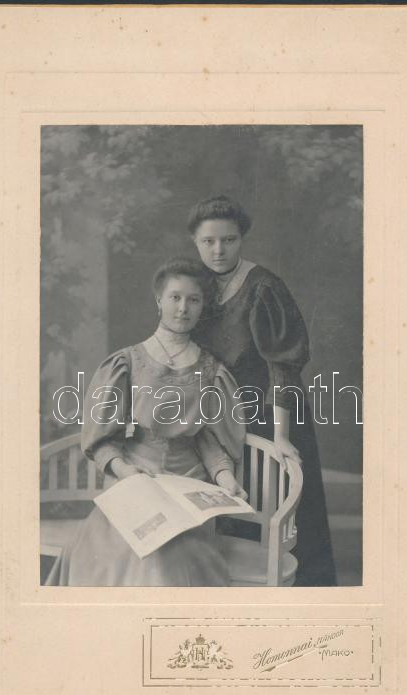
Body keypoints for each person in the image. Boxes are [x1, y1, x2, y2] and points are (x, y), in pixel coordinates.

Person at [48, 257, 246, 587]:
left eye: (193, 300)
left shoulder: (211, 370)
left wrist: (225, 478)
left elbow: (207, 439)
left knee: (173, 551)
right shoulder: (127, 362)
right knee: (127, 549)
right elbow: (103, 440)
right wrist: (125, 471)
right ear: (159, 300)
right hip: (134, 479)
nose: (183, 308)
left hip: (188, 483)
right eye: (175, 297)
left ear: (202, 306)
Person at [189, 195, 337, 586]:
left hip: (273, 412)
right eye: (208, 241)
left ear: (242, 239)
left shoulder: (263, 287)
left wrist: (281, 436)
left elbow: (282, 366)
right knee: (231, 511)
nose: (218, 250)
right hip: (221, 416)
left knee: (278, 512)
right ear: (195, 242)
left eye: (229, 240)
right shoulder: (196, 286)